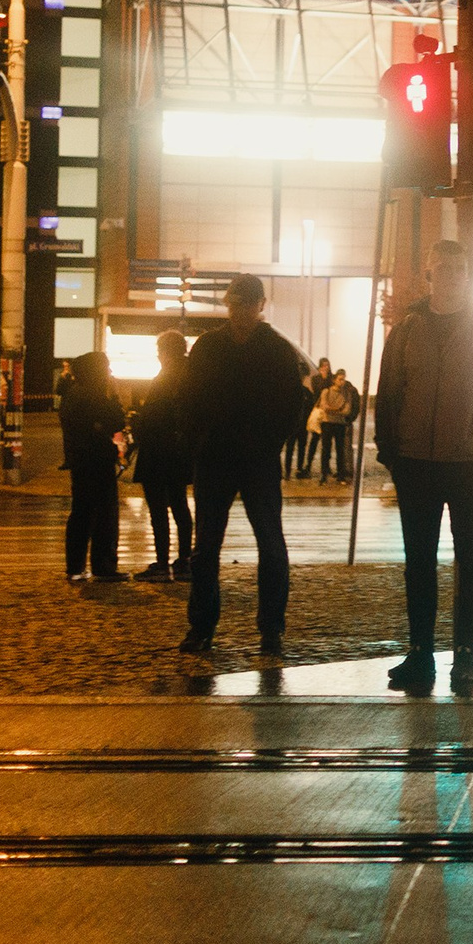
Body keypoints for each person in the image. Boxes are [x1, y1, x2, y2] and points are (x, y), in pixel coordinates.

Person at [378, 239, 473, 695]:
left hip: (468, 463)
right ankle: (420, 652)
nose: (452, 276)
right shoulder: (406, 331)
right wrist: (391, 452)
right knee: (418, 560)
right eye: (444, 268)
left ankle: (465, 653)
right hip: (415, 462)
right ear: (429, 274)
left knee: (471, 559)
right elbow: (388, 392)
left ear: (466, 276)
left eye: (460, 269)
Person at [178, 275, 311, 658]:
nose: (240, 312)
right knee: (206, 547)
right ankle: (202, 627)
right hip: (219, 456)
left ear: (259, 305)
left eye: (246, 305)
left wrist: (270, 443)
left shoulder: (272, 349)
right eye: (235, 305)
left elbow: (292, 404)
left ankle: (270, 629)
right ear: (229, 305)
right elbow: (187, 397)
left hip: (254, 458)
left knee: (269, 545)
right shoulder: (212, 346)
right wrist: (199, 439)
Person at [129, 330, 194, 581]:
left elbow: (154, 416)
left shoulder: (165, 378)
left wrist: (139, 423)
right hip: (178, 453)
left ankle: (162, 562)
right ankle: (185, 559)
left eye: (159, 350)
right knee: (179, 505)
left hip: (157, 452)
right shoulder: (188, 376)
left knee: (158, 509)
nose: (158, 355)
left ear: (166, 352)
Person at [60, 350, 128, 584]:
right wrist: (115, 396)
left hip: (80, 461)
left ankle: (75, 566)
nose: (109, 372)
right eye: (106, 368)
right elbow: (116, 420)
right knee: (105, 515)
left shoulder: (73, 394)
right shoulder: (95, 395)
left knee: (82, 513)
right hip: (98, 459)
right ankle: (104, 566)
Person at [320, 366, 357, 483]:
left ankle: (341, 475)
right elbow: (324, 407)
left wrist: (332, 410)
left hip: (340, 424)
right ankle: (324, 474)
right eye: (340, 379)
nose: (342, 382)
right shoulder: (326, 392)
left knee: (340, 450)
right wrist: (338, 410)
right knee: (326, 449)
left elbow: (347, 410)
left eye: (344, 379)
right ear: (334, 380)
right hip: (327, 423)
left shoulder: (346, 394)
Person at [296, 359, 332, 479]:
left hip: (327, 413)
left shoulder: (331, 378)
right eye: (323, 366)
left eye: (327, 366)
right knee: (314, 440)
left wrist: (327, 378)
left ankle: (326, 466)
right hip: (318, 411)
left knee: (327, 442)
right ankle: (308, 464)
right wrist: (323, 379)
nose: (325, 368)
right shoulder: (316, 379)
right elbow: (317, 392)